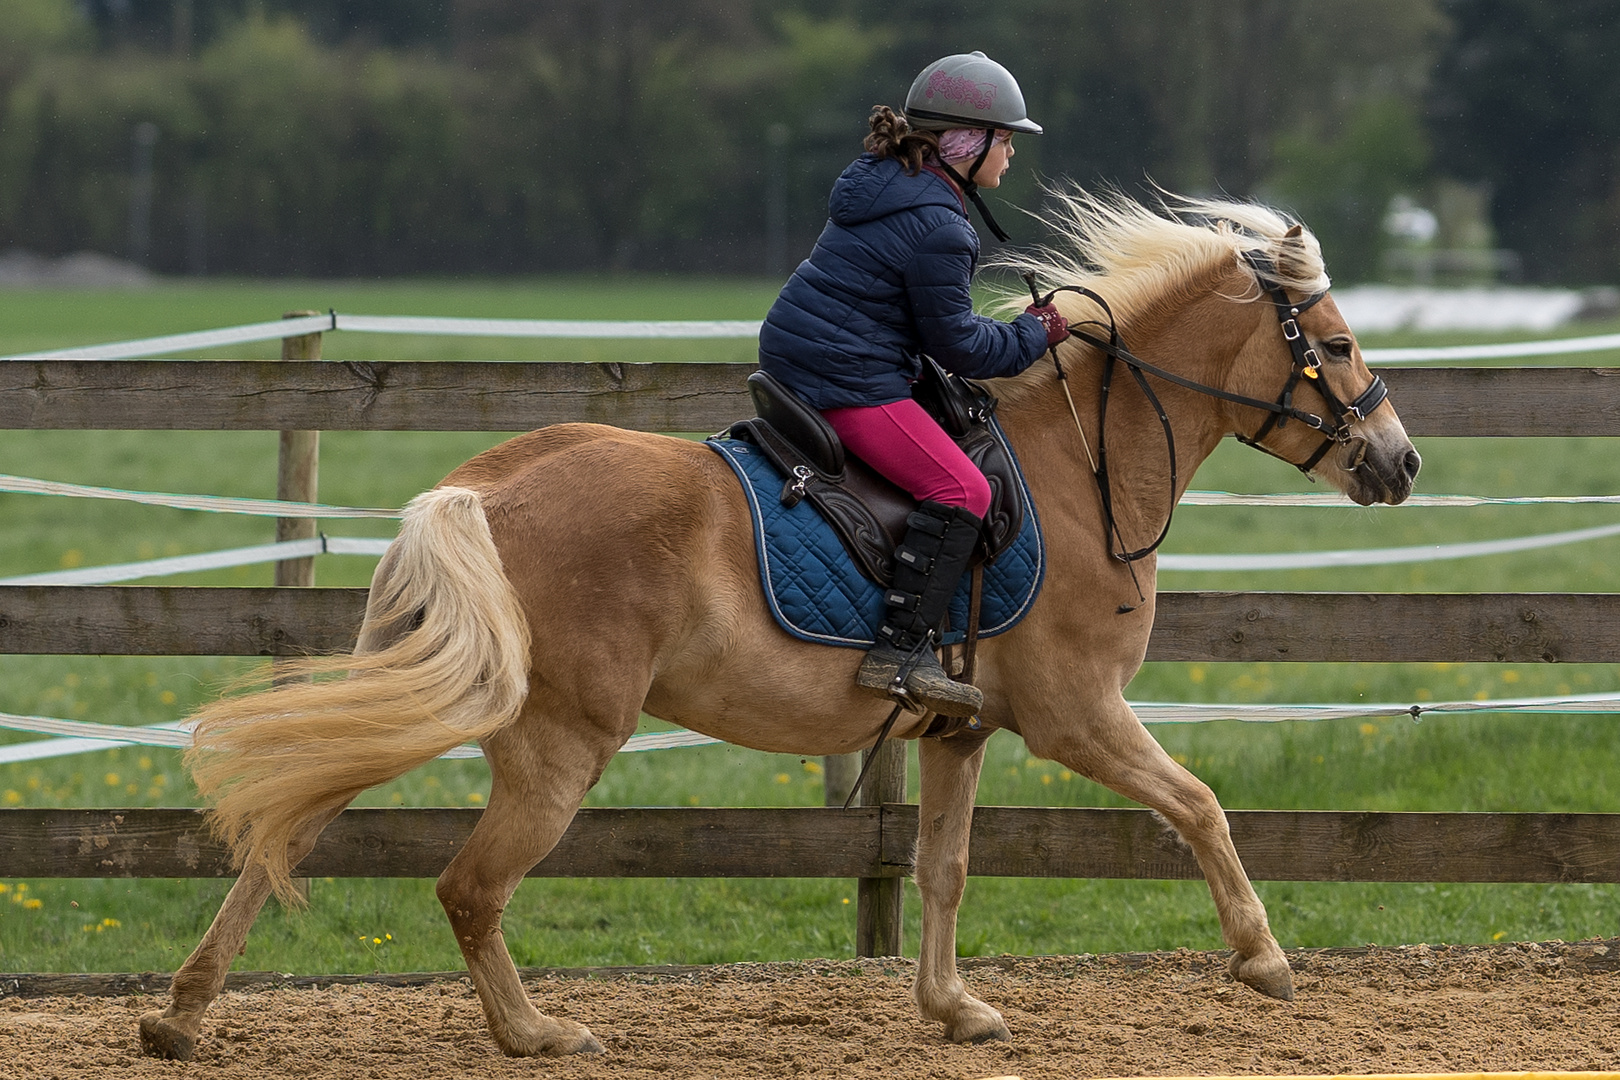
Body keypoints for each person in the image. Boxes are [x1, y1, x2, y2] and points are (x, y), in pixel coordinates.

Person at [757, 51, 1068, 717]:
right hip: (845, 378)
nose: (1009, 156)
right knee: (964, 488)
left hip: (803, 356)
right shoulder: (940, 224)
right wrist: (1034, 334)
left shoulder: (885, 179)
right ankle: (899, 652)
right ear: (966, 142)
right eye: (1005, 140)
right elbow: (958, 344)